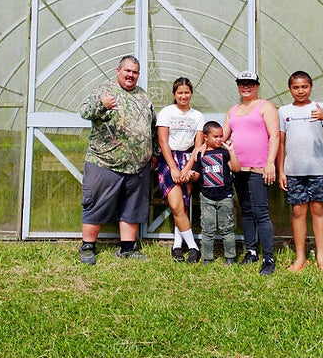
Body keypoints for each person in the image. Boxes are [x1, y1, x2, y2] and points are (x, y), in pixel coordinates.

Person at [78, 55, 157, 265]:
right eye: (127, 71)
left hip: (138, 165)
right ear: (118, 71)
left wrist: (154, 153)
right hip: (105, 162)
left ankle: (127, 249)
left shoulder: (143, 96)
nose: (131, 75)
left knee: (132, 206)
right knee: (97, 203)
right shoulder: (104, 90)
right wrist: (102, 105)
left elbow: (152, 126)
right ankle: (88, 246)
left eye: (135, 72)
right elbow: (84, 111)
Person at [277, 70, 323, 275]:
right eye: (296, 87)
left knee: (318, 210)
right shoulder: (284, 111)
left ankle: (321, 258)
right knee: (297, 212)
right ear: (290, 89)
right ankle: (300, 257)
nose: (300, 91)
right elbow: (281, 142)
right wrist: (281, 170)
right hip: (294, 170)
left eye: (304, 86)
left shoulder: (319, 108)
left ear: (310, 87)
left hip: (318, 169)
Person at [223, 70, 279, 276]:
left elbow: (274, 136)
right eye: (242, 83)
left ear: (257, 86)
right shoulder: (234, 110)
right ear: (238, 86)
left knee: (260, 212)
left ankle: (269, 257)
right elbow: (223, 135)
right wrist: (203, 147)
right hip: (238, 168)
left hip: (258, 168)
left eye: (250, 83)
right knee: (246, 210)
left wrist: (270, 163)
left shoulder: (266, 106)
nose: (246, 87)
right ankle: (251, 251)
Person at [157, 77, 205, 263]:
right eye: (180, 93)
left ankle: (177, 246)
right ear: (174, 94)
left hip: (189, 159)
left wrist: (187, 168)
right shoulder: (167, 112)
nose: (183, 96)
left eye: (186, 92)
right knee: (176, 205)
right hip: (169, 159)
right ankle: (193, 246)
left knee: (184, 204)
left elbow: (198, 145)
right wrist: (174, 169)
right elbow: (163, 141)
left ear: (191, 94)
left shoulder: (197, 116)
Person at [191, 120, 241, 265]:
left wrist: (231, 151)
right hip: (206, 198)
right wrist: (192, 175)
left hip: (225, 196)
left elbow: (236, 168)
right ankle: (207, 258)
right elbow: (197, 174)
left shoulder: (225, 152)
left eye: (221, 136)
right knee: (208, 229)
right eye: (216, 137)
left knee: (227, 229)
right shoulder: (201, 154)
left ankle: (230, 257)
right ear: (206, 137)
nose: (220, 139)